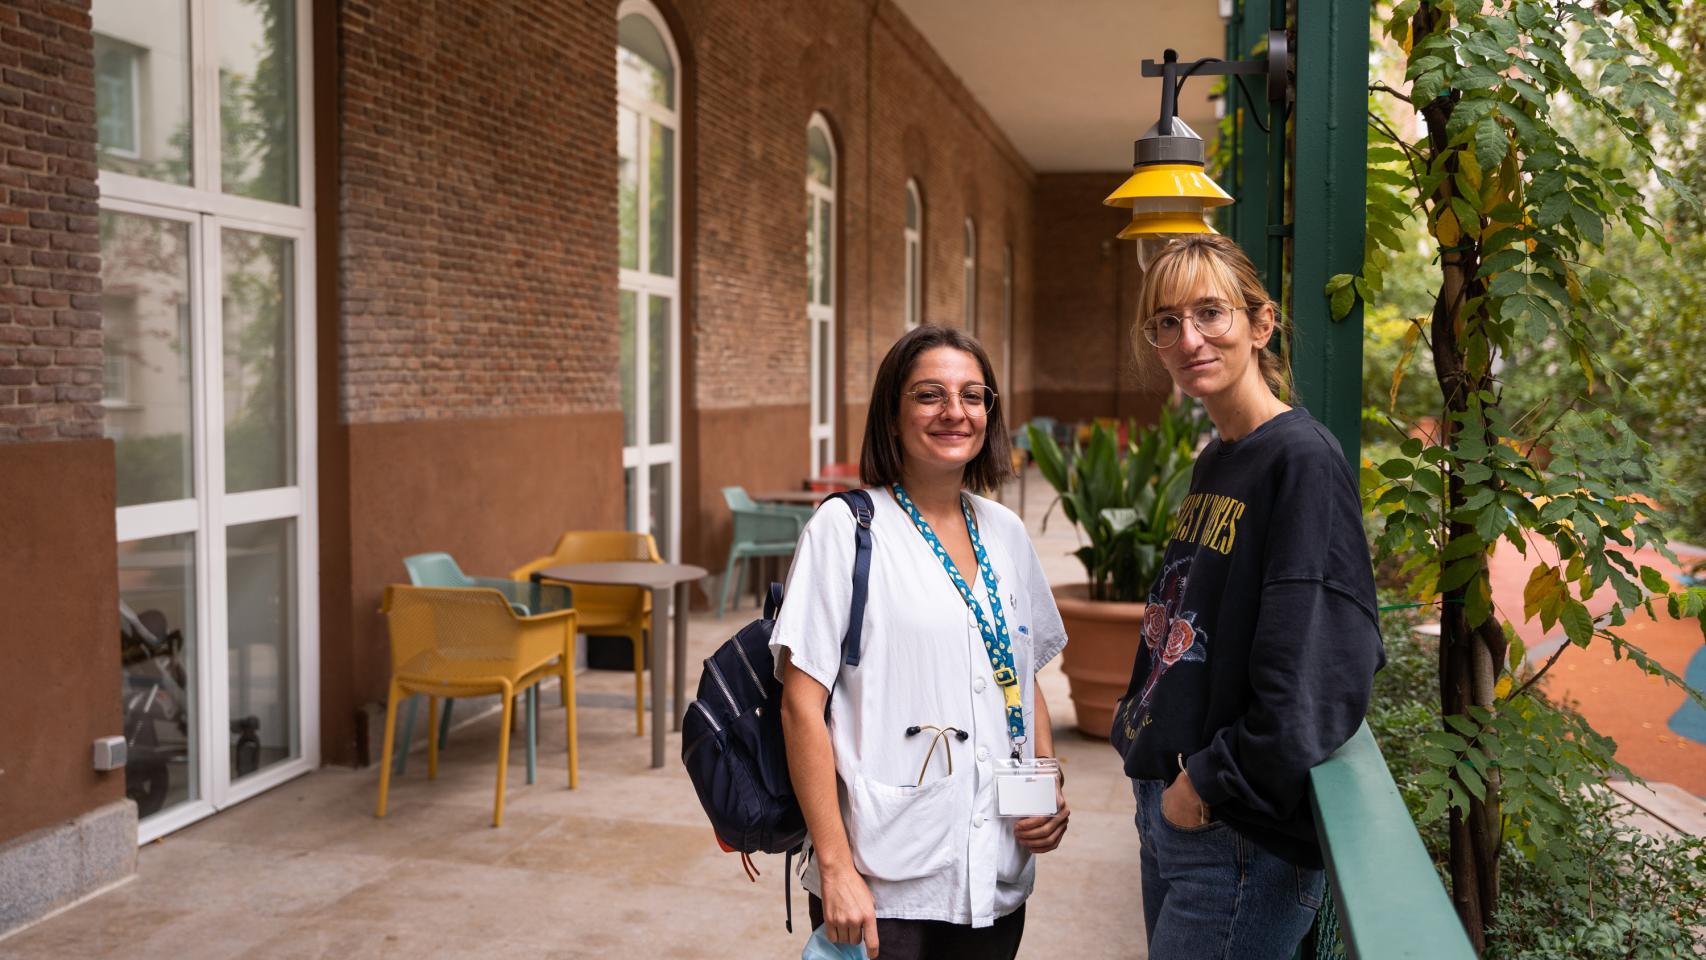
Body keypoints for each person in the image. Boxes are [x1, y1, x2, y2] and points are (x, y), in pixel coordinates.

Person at [1109, 234, 1384, 959]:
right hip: (1176, 813)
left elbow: (1320, 669)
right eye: (1167, 322)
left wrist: (1206, 784)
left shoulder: (1302, 462)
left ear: (1261, 325)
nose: (1188, 338)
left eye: (1210, 313)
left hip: (1236, 839)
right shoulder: (1220, 457)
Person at [772, 324, 1071, 960]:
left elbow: (1022, 671)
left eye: (972, 394)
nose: (954, 412)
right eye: (929, 394)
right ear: (893, 411)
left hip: (994, 875)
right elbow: (801, 705)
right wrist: (835, 868)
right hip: (885, 883)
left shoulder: (1006, 533)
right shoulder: (845, 529)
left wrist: (1046, 781)